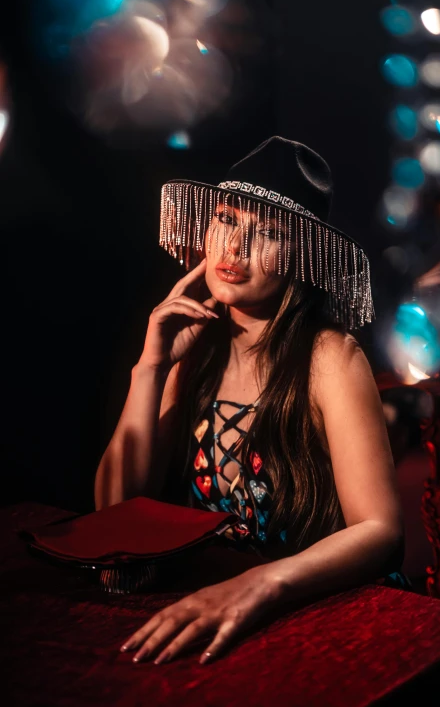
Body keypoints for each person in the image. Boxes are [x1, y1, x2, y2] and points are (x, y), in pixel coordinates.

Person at [94, 136, 407, 666]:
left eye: (268, 233)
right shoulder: (194, 350)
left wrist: (261, 584)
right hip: (219, 604)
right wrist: (150, 369)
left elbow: (380, 532)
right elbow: (113, 514)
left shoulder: (330, 356)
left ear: (303, 257)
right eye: (226, 218)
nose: (235, 247)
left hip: (317, 609)